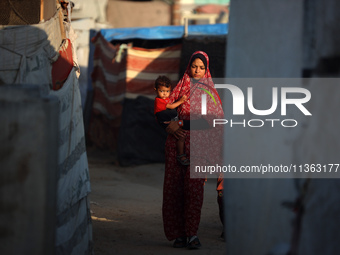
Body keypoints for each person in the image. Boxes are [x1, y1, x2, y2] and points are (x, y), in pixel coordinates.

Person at [162, 51, 225, 249]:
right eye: (194, 66)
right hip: (176, 145)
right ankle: (178, 234)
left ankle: (192, 234)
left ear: (207, 69)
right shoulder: (180, 86)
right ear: (189, 66)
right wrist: (169, 124)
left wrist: (179, 122)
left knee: (194, 191)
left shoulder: (210, 92)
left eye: (201, 67)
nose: (197, 71)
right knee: (174, 190)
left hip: (199, 146)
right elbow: (161, 110)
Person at [154, 75, 189, 165]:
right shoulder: (159, 101)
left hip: (169, 119)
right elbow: (171, 106)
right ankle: (181, 155)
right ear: (156, 90)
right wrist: (181, 101)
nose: (165, 93)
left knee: (180, 136)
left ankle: (181, 154)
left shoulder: (165, 99)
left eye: (167, 91)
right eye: (161, 91)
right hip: (165, 121)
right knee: (180, 136)